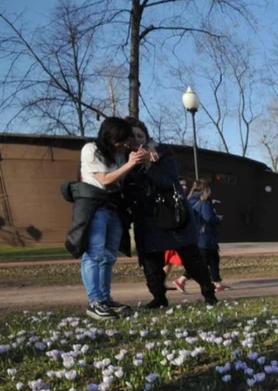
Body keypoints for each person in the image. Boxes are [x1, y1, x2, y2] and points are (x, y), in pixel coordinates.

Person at [121, 116, 217, 308]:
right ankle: (159, 298)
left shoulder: (161, 153)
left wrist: (149, 164)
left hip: (172, 214)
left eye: (140, 135)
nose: (137, 140)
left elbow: (169, 182)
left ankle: (209, 293)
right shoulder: (123, 160)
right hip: (146, 218)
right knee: (150, 262)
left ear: (146, 137)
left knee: (191, 257)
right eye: (132, 136)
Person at [62, 117, 144, 320]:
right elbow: (105, 180)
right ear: (111, 136)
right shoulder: (91, 149)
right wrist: (130, 164)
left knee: (108, 257)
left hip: (113, 207)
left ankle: (105, 299)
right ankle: (95, 301)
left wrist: (134, 147)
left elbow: (120, 178)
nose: (124, 144)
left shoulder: (118, 153)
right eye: (122, 139)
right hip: (95, 208)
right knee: (94, 254)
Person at [184, 179, 229, 292]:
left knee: (213, 259)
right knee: (202, 261)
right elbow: (208, 217)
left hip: (195, 234)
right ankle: (182, 279)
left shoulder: (189, 200)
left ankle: (217, 283)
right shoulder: (205, 201)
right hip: (206, 235)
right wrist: (217, 219)